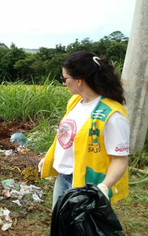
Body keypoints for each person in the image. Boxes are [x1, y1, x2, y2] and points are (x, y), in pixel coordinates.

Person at [38, 50, 130, 208]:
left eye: (65, 78)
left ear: (79, 80)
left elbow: (120, 160)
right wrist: (49, 157)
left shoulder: (112, 115)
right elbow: (68, 136)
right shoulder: (75, 102)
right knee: (60, 223)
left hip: (87, 184)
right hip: (64, 177)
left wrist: (103, 187)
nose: (64, 83)